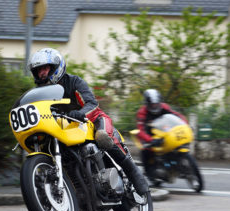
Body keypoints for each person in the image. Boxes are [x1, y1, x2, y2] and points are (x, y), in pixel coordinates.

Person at [28, 48, 149, 196]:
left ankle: (135, 174)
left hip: (93, 120)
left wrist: (79, 113)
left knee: (103, 137)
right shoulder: (40, 94)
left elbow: (92, 103)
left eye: (45, 68)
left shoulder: (73, 81)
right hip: (66, 130)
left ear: (56, 67)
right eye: (38, 70)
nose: (42, 73)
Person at [136, 89, 188, 180]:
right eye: (152, 104)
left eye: (156, 103)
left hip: (164, 132)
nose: (155, 106)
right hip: (149, 135)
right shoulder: (142, 112)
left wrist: (184, 123)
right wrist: (151, 140)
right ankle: (149, 173)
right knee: (145, 149)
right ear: (147, 104)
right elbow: (140, 130)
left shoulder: (164, 107)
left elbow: (176, 115)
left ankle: (177, 164)